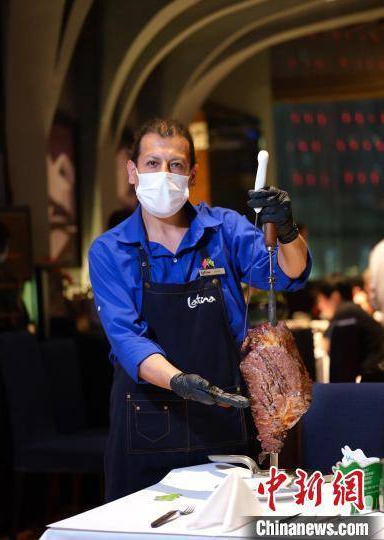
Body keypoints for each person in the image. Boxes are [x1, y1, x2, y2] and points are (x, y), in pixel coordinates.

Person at [88, 118, 311, 501]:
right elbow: (127, 339)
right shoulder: (111, 250)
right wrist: (180, 382)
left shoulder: (223, 229)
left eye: (175, 165)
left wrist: (286, 230)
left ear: (191, 173)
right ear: (132, 171)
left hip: (222, 419)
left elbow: (290, 274)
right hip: (147, 425)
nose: (163, 174)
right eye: (152, 163)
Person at [315, 274, 384, 381]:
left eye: (320, 299)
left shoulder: (345, 312)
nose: (319, 306)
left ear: (335, 297)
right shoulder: (352, 309)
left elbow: (326, 344)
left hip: (376, 378)